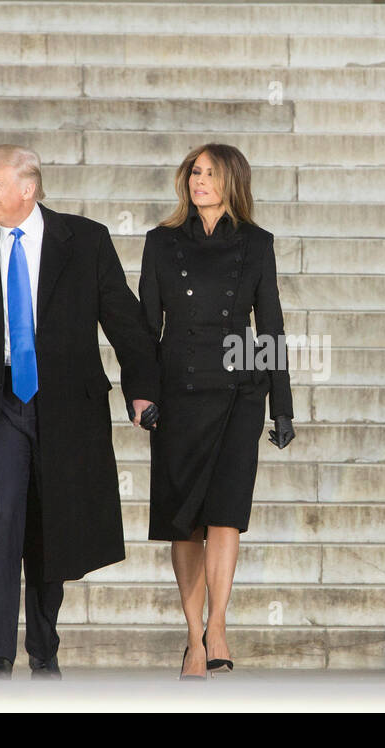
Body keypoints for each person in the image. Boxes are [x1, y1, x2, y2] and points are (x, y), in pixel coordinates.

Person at [0, 144, 160, 680]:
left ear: (27, 188)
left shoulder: (85, 240)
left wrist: (141, 391)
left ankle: (45, 649)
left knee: (52, 526)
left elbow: (124, 322)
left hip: (64, 406)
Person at [138, 144, 296, 680]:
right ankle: (192, 638)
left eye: (209, 173)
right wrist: (142, 394)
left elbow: (270, 326)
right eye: (194, 172)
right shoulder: (161, 243)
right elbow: (144, 328)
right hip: (179, 395)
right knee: (185, 521)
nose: (199, 181)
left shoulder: (256, 244)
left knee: (226, 513)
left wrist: (283, 407)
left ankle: (220, 624)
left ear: (233, 181)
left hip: (238, 394)